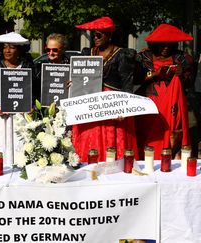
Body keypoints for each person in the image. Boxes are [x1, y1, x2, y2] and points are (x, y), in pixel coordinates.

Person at [71, 16, 138, 162]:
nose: (95, 37)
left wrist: (124, 108)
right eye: (93, 34)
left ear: (109, 35)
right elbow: (79, 78)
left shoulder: (122, 55)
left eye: (99, 35)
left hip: (111, 105)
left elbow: (127, 84)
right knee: (89, 138)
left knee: (111, 143)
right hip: (90, 103)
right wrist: (73, 83)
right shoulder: (87, 53)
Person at [134, 24, 194, 159]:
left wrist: (182, 74)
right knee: (148, 138)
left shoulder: (183, 58)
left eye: (169, 44)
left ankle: (170, 164)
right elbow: (135, 79)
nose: (166, 47)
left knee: (172, 136)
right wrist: (154, 74)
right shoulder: (143, 57)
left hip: (173, 105)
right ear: (154, 44)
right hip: (149, 105)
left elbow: (190, 82)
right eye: (162, 44)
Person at [0, 32, 35, 165]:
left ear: (19, 49)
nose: (7, 50)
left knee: (21, 149)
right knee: (0, 148)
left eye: (12, 47)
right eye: (5, 47)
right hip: (1, 116)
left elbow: (34, 92)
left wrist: (31, 107)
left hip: (21, 116)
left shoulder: (28, 66)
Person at [34, 33, 70, 100]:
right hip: (45, 106)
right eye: (48, 50)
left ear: (63, 49)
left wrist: (74, 84)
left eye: (55, 50)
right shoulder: (39, 67)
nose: (51, 53)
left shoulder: (71, 66)